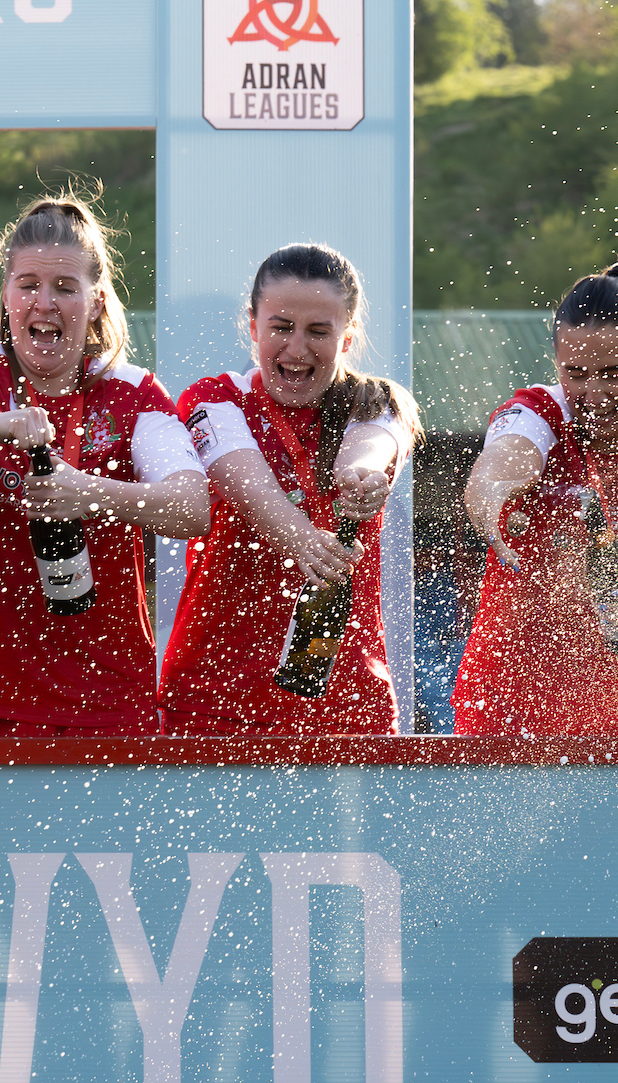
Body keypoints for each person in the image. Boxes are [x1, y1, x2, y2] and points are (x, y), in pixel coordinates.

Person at [0, 197, 207, 733]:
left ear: (96, 301)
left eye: (65, 288)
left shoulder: (133, 392)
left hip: (104, 699)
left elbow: (192, 508)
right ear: (6, 296)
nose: (44, 303)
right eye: (28, 285)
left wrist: (91, 494)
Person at [160, 244, 421, 735]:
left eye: (319, 332)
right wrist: (304, 539)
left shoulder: (380, 402)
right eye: (281, 327)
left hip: (347, 708)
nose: (297, 350)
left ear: (347, 338)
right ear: (253, 326)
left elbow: (371, 446)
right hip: (214, 700)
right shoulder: (215, 398)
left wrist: (361, 477)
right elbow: (246, 483)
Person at [450, 264, 618, 735]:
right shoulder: (538, 410)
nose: (595, 393)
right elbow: (501, 463)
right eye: (577, 373)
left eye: (612, 373)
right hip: (510, 711)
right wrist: (494, 493)